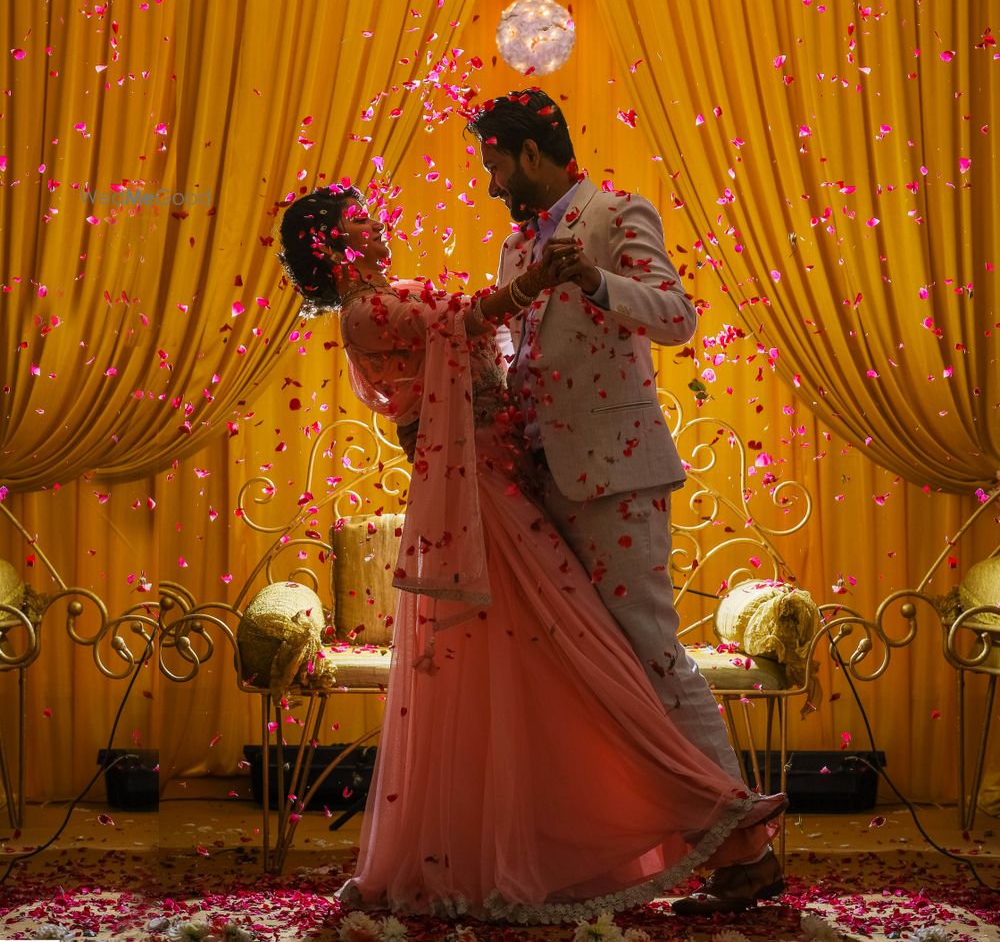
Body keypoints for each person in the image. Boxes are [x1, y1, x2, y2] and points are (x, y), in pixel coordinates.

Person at [277, 183, 785, 921]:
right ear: (331, 247)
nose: (378, 227)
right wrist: (537, 283)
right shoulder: (367, 313)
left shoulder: (399, 298)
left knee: (574, 668)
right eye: (361, 222)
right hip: (481, 505)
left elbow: (491, 348)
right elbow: (472, 319)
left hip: (512, 489)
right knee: (579, 668)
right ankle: (717, 824)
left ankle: (692, 833)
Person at [468, 89, 784, 916]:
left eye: (497, 161)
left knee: (651, 657)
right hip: (538, 482)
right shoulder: (511, 247)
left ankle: (746, 849)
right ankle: (601, 853)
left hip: (614, 477)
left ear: (533, 152)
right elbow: (522, 351)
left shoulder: (615, 212)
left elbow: (677, 316)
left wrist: (601, 283)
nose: (493, 180)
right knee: (579, 674)